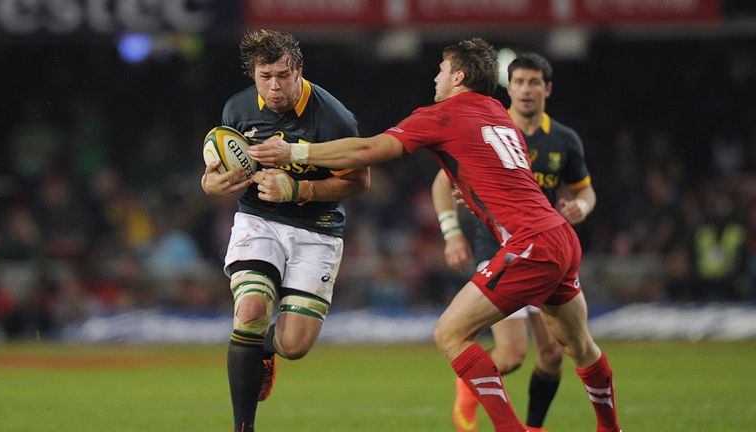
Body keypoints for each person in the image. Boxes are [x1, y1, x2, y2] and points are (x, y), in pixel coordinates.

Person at [249, 37, 621, 432]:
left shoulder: (444, 114)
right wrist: (473, 190)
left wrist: (295, 153)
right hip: (560, 236)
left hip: (530, 242)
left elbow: (368, 149)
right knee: (578, 347)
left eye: (442, 70)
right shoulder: (494, 109)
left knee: (450, 333)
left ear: (458, 77)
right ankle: (610, 427)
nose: (435, 76)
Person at [200, 29, 370, 432]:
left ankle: (264, 348)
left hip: (318, 228)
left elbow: (359, 182)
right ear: (253, 74)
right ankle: (244, 427)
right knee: (251, 309)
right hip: (259, 220)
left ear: (299, 71)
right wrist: (211, 184)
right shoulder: (237, 109)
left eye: (283, 75)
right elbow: (215, 173)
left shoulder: (333, 118)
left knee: (294, 344)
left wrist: (299, 187)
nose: (275, 86)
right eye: (265, 76)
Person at [431, 52, 597, 432]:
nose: (525, 90)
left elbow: (586, 192)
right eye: (519, 82)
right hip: (498, 245)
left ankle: (533, 427)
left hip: (545, 246)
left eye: (533, 82)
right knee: (512, 354)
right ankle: (468, 381)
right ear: (509, 86)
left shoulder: (564, 140)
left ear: (547, 88)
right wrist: (452, 232)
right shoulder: (490, 123)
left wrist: (581, 209)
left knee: (554, 355)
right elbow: (443, 181)